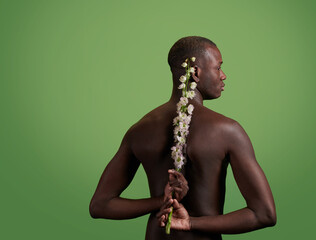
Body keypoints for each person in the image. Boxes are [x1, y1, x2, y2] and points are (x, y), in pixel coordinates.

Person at [89, 36, 276, 240]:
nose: (223, 76)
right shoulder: (228, 130)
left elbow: (101, 205)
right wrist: (190, 223)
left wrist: (161, 200)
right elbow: (263, 214)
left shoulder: (140, 130)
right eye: (218, 67)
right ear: (195, 72)